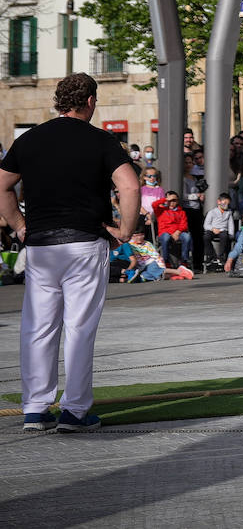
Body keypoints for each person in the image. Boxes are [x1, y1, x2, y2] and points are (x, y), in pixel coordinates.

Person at [0, 73, 141, 432]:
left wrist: (19, 225)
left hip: (42, 245)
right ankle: (75, 411)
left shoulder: (29, 139)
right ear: (90, 101)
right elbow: (129, 186)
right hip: (84, 241)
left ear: (58, 101)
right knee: (79, 327)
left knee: (38, 326)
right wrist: (125, 231)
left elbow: (2, 185)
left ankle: (35, 409)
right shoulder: (101, 140)